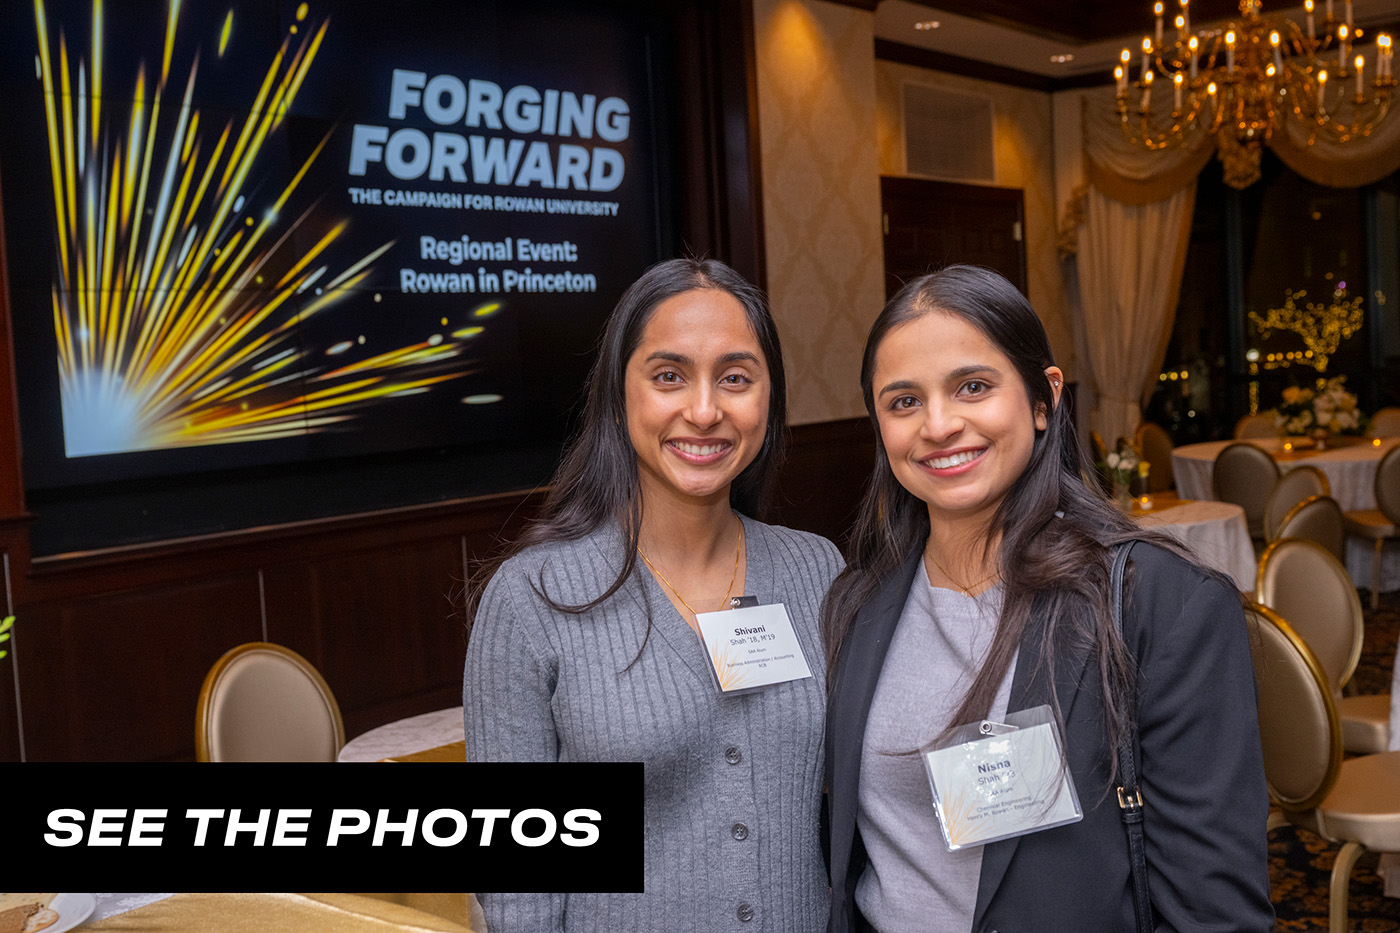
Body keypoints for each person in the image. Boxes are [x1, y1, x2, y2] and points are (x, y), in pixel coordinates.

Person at [822, 265, 1272, 933]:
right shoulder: (857, 604)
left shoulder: (1160, 605)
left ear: (1042, 398)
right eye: (904, 401)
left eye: (972, 386)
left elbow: (1216, 915)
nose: (939, 424)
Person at [464, 257, 841, 933]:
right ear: (619, 396)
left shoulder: (817, 569)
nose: (704, 409)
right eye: (669, 375)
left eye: (735, 377)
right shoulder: (531, 600)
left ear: (768, 398)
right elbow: (517, 883)